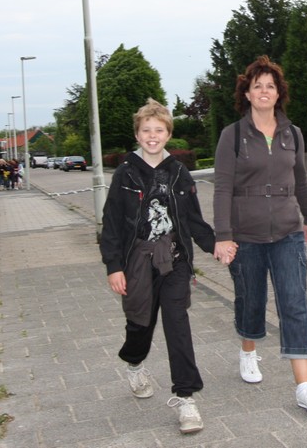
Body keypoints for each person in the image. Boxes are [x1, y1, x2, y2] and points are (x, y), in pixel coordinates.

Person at [212, 55, 307, 415]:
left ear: (279, 94)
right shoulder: (232, 135)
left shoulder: (293, 134)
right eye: (257, 85)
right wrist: (223, 235)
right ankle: (248, 351)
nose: (264, 91)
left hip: (288, 232)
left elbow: (301, 178)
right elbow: (222, 187)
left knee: (294, 303)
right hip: (245, 234)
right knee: (252, 300)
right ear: (246, 94)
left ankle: (304, 387)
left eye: (270, 86)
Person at [100, 98, 218, 434]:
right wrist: (114, 266)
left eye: (159, 130)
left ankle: (186, 398)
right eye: (146, 130)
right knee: (141, 325)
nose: (153, 136)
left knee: (177, 323)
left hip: (175, 261)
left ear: (168, 134)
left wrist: (215, 245)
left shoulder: (179, 172)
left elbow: (193, 219)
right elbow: (111, 224)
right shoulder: (125, 173)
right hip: (138, 263)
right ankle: (134, 363)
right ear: (137, 135)